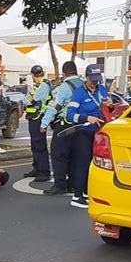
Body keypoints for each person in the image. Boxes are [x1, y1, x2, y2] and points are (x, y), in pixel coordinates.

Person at [66, 63, 113, 209]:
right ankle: (77, 196)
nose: (95, 82)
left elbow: (108, 109)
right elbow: (70, 115)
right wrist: (87, 118)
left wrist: (110, 105)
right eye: (92, 79)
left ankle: (87, 192)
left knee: (95, 164)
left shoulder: (102, 90)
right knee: (82, 164)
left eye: (97, 79)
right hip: (83, 133)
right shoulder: (79, 93)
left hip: (98, 133)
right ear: (86, 77)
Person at [41, 61, 83, 196]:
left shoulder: (64, 86)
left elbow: (55, 105)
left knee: (58, 155)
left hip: (64, 125)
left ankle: (59, 185)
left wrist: (44, 123)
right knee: (75, 156)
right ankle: (72, 184)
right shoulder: (83, 85)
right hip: (80, 124)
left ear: (64, 73)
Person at [23, 65, 52, 181]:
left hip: (39, 118)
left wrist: (26, 100)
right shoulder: (38, 85)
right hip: (34, 117)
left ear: (33, 75)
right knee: (35, 145)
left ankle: (44, 172)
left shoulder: (43, 86)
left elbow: (31, 100)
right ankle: (37, 168)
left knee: (40, 146)